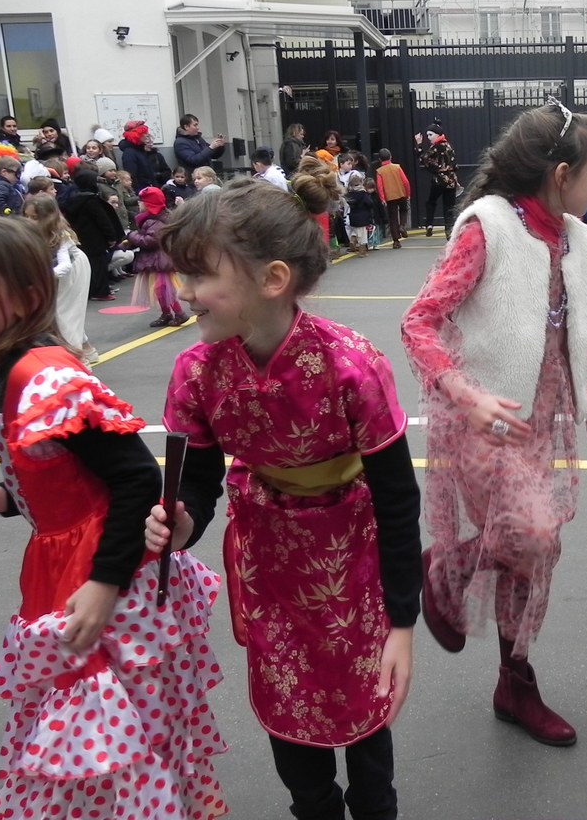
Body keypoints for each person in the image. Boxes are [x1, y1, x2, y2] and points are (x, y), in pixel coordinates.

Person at [0, 214, 226, 820]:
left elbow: (135, 480)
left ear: (25, 298)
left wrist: (104, 585)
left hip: (106, 568)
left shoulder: (44, 376)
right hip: (63, 564)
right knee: (97, 729)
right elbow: (55, 484)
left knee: (112, 726)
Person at [143, 178, 420, 820]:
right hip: (269, 562)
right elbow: (197, 481)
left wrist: (403, 623)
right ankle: (312, 806)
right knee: (288, 701)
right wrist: (181, 524)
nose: (184, 291)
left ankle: (375, 808)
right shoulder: (197, 371)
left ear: (271, 279)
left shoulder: (350, 364)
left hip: (354, 559)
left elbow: (397, 500)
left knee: (365, 706)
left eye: (199, 274)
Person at [401, 100, 587, 748]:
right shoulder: (488, 227)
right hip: (485, 424)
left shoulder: (579, 237)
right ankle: (447, 566)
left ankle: (514, 681)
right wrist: (465, 394)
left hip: (542, 423)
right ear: (561, 174)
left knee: (532, 555)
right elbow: (419, 321)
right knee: (533, 536)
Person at [24, 193, 99, 365]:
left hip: (74, 270)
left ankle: (79, 361)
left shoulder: (61, 234)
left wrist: (42, 277)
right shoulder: (31, 233)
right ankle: (87, 350)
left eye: (34, 218)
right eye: (26, 216)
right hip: (55, 273)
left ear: (47, 217)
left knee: (65, 314)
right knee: (61, 315)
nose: (28, 221)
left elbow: (65, 265)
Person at [63, 166, 127, 302]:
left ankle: (90, 290)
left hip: (81, 237)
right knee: (99, 266)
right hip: (96, 238)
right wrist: (111, 237)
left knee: (88, 266)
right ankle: (100, 292)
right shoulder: (91, 200)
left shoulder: (71, 199)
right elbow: (103, 220)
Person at [127, 187, 187, 327]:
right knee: (159, 289)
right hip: (156, 259)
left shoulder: (154, 221)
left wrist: (132, 235)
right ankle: (166, 313)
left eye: (141, 201)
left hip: (159, 260)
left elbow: (150, 241)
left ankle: (179, 313)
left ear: (149, 204)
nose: (139, 204)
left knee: (164, 289)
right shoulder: (153, 218)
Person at [417, 123, 459, 238]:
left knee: (431, 201)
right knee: (449, 207)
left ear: (437, 135)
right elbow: (454, 164)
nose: (428, 137)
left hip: (439, 180)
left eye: (430, 135)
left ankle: (429, 224)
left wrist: (419, 146)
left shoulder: (436, 147)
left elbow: (424, 159)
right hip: (451, 180)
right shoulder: (449, 146)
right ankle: (449, 231)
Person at [374, 148, 410, 249]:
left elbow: (380, 186)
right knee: (404, 210)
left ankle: (396, 241)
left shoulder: (379, 171)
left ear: (380, 160)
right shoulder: (397, 167)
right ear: (391, 157)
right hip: (401, 193)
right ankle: (402, 226)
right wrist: (408, 193)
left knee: (393, 218)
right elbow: (405, 181)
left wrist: (382, 198)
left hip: (389, 197)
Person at [118, 120, 158, 191]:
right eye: (143, 133)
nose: (147, 135)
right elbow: (132, 177)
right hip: (142, 191)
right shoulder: (129, 153)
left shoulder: (140, 150)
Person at [344, 174, 374, 254]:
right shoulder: (363, 193)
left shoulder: (349, 194)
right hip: (363, 217)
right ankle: (362, 252)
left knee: (355, 230)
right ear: (360, 183)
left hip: (353, 216)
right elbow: (369, 203)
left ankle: (353, 238)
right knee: (362, 235)